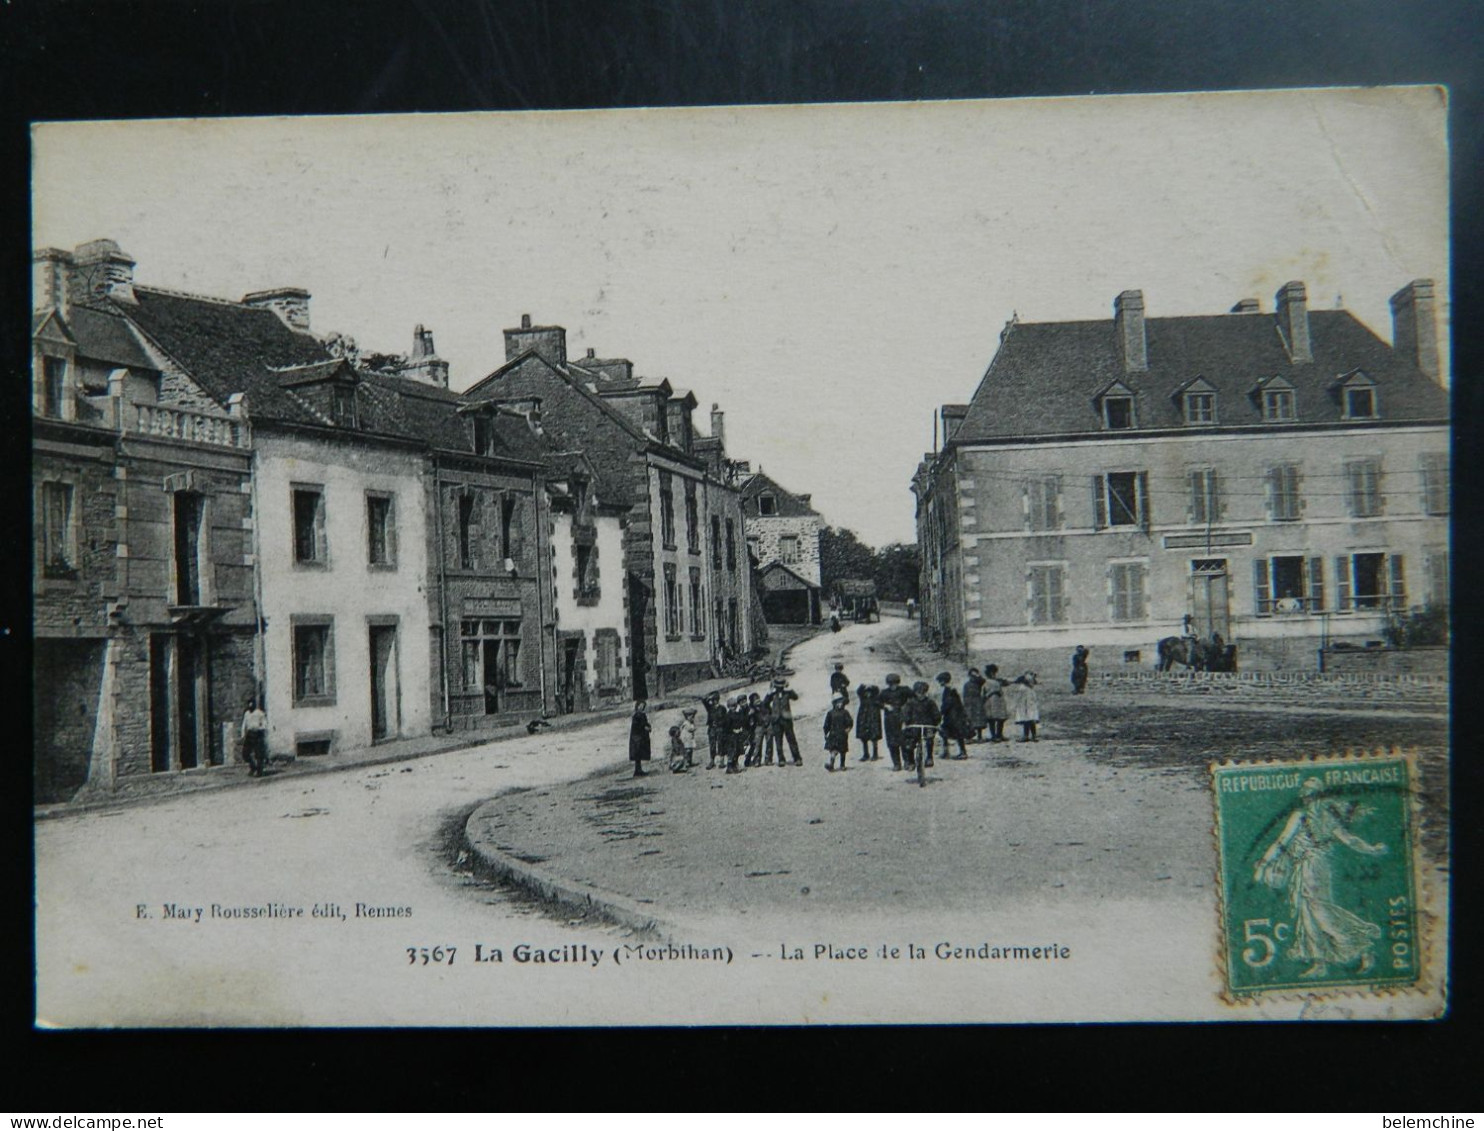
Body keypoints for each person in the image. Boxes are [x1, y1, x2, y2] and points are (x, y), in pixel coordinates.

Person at [1254, 778, 1388, 979]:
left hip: (1314, 867)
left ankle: (1361, 943)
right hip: (1308, 866)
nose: (1309, 799)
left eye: (1312, 795)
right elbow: (1283, 842)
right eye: (1307, 795)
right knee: (1308, 913)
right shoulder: (1314, 817)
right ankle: (1320, 963)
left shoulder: (1318, 817)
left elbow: (1348, 839)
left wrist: (1371, 849)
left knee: (1320, 911)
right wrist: (1264, 864)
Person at [903, 680, 940, 769]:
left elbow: (936, 714)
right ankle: (910, 762)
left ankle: (929, 758)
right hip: (914, 726)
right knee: (909, 743)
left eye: (923, 693)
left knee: (929, 739)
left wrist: (935, 722)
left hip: (928, 726)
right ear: (915, 692)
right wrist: (906, 721)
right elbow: (905, 713)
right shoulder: (910, 702)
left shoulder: (930, 702)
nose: (920, 695)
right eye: (918, 693)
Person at [878, 672, 911, 770]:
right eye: (891, 684)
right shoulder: (884, 692)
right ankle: (896, 764)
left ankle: (907, 762)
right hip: (890, 719)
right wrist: (885, 706)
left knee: (905, 741)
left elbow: (914, 696)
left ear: (898, 683)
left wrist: (907, 706)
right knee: (892, 742)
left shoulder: (904, 690)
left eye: (895, 683)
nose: (893, 686)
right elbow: (876, 701)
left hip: (903, 717)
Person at [768, 677, 802, 766]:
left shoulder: (787, 693)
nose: (780, 688)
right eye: (778, 687)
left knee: (791, 739)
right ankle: (781, 759)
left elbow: (796, 697)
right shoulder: (772, 694)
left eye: (781, 686)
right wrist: (769, 692)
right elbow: (764, 704)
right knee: (778, 741)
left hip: (786, 719)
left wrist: (789, 689)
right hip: (776, 720)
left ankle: (797, 758)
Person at [936, 671, 970, 760]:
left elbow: (947, 703)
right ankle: (953, 751)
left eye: (940, 681)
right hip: (955, 715)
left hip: (952, 716)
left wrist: (941, 712)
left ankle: (958, 752)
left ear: (944, 681)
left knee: (949, 733)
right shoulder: (952, 689)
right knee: (953, 734)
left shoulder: (948, 690)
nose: (939, 683)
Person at [823, 693, 853, 771]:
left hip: (842, 734)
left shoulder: (845, 712)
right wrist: (826, 733)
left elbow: (850, 722)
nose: (840, 704)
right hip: (833, 734)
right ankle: (831, 764)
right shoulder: (830, 713)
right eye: (838, 702)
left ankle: (842, 765)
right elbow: (827, 724)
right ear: (834, 703)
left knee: (843, 750)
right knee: (833, 750)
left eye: (841, 702)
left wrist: (848, 729)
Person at [240, 696, 268, 777]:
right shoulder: (247, 713)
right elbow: (244, 724)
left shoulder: (259, 713)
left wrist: (260, 728)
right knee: (245, 753)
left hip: (257, 734)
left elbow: (265, 724)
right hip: (249, 734)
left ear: (255, 704)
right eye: (249, 704)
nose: (250, 705)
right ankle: (253, 767)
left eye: (252, 704)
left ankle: (259, 771)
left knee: (259, 754)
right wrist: (243, 735)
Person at [854, 683, 883, 761]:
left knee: (874, 738)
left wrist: (872, 686)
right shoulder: (862, 699)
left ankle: (875, 754)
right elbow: (859, 691)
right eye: (866, 692)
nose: (868, 694)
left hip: (873, 721)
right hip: (863, 721)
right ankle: (866, 754)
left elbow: (877, 690)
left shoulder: (875, 699)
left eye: (870, 692)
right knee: (864, 739)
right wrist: (863, 685)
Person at [1011, 672, 1040, 742]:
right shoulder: (1028, 689)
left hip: (1027, 706)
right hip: (1027, 706)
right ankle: (1031, 736)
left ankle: (1030, 736)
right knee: (1029, 720)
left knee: (1028, 720)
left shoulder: (1023, 688)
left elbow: (1021, 698)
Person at [983, 664, 1009, 742]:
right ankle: (994, 736)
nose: (994, 674)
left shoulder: (996, 681)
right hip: (991, 701)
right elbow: (985, 693)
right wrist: (994, 691)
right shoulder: (987, 682)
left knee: (1000, 719)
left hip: (998, 701)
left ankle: (999, 734)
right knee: (992, 719)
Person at [963, 668, 988, 742]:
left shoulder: (979, 683)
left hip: (977, 702)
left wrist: (978, 675)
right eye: (971, 675)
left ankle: (979, 737)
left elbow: (983, 681)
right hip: (969, 703)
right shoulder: (966, 684)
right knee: (969, 720)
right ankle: (968, 737)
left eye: (974, 676)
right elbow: (965, 695)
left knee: (979, 720)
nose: (973, 677)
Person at [629, 700, 652, 776]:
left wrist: (648, 726)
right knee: (637, 754)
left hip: (641, 736)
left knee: (640, 754)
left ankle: (639, 770)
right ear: (637, 706)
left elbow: (645, 723)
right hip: (637, 737)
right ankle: (637, 770)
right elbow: (637, 726)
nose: (641, 707)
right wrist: (644, 728)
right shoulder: (636, 716)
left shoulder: (642, 715)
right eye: (640, 706)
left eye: (643, 706)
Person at [702, 691, 724, 769]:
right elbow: (704, 701)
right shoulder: (710, 708)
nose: (714, 701)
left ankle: (721, 761)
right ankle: (712, 760)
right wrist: (707, 697)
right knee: (712, 745)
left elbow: (725, 719)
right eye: (713, 700)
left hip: (720, 729)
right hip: (712, 729)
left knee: (721, 744)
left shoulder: (722, 708)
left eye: (715, 699)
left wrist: (719, 723)